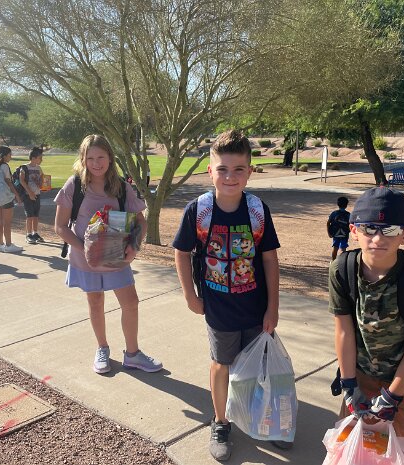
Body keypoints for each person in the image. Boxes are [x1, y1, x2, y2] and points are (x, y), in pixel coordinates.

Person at [172, 129, 281, 461]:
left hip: (256, 307)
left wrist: (273, 307)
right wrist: (190, 296)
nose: (230, 177)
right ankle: (221, 422)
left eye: (238, 169)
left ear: (249, 172)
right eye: (222, 169)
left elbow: (269, 259)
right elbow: (181, 252)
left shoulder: (257, 211)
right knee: (222, 364)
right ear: (210, 171)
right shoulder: (199, 211)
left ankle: (261, 418)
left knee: (258, 367)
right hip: (218, 308)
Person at [328, 187, 404, 465]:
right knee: (353, 452)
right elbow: (344, 331)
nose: (378, 238)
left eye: (390, 230)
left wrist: (393, 396)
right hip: (361, 379)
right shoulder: (342, 270)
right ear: (354, 230)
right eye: (369, 228)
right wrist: (349, 385)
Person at [54, 134, 162, 375]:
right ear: (83, 159)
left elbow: (141, 221)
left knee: (130, 303)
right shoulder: (74, 186)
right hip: (85, 258)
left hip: (117, 256)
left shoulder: (121, 187)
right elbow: (60, 226)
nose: (96, 163)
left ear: (110, 158)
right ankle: (102, 348)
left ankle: (132, 354)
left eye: (101, 157)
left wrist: (135, 246)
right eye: (90, 158)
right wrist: (86, 249)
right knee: (95, 302)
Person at [0, 146, 23, 253]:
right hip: (6, 196)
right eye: (9, 155)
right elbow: (9, 182)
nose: (10, 157)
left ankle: (0, 244)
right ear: (4, 155)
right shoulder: (4, 166)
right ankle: (8, 245)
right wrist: (17, 196)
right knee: (7, 222)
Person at [20, 146, 46, 244]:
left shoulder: (39, 168)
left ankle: (35, 233)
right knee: (29, 215)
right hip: (28, 195)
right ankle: (29, 234)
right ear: (33, 158)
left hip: (37, 194)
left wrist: (43, 184)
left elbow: (41, 180)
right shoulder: (25, 167)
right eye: (40, 158)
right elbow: (22, 180)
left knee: (36, 215)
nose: (41, 160)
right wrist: (30, 192)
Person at [327, 196, 350, 260]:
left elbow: (328, 223)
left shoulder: (334, 213)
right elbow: (351, 224)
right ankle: (342, 262)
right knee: (343, 249)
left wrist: (329, 233)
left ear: (338, 204)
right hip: (344, 234)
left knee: (335, 248)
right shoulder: (348, 215)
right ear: (346, 205)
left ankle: (333, 261)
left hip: (335, 233)